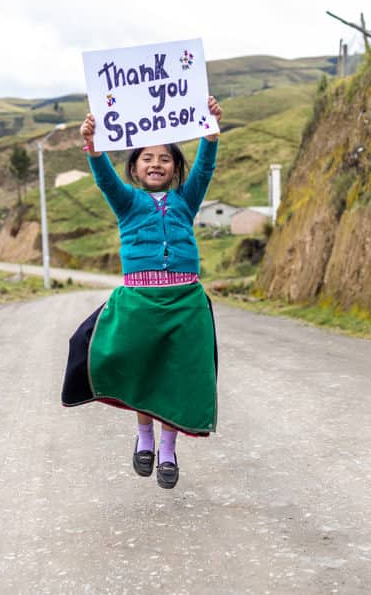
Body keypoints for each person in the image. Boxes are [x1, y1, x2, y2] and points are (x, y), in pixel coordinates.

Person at [61, 96, 223, 490]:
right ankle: (145, 438)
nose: (156, 164)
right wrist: (94, 149)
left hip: (184, 303)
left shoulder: (186, 200)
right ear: (134, 167)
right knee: (143, 373)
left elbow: (205, 168)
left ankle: (168, 449)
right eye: (147, 158)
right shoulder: (128, 203)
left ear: (175, 168)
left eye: (165, 159)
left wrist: (211, 135)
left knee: (175, 376)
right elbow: (104, 180)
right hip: (140, 303)